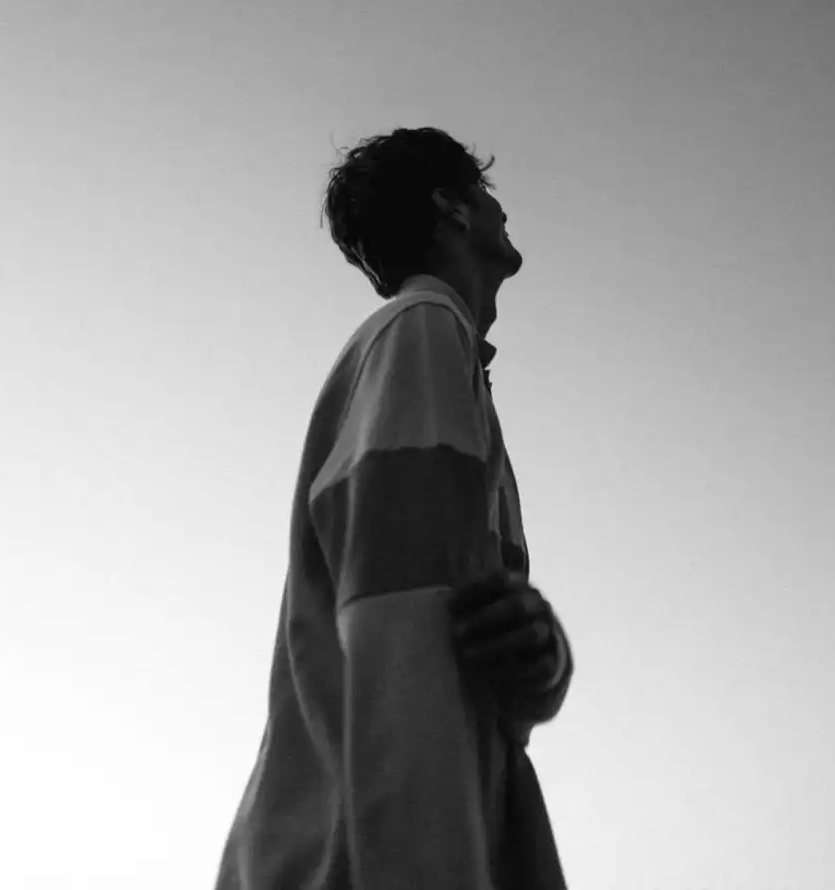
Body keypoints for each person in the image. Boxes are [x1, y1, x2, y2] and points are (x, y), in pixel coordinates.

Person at [213, 127, 573, 890]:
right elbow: (401, 639)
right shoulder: (422, 334)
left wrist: (539, 665)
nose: (502, 209)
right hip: (360, 858)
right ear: (453, 208)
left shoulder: (437, 357)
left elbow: (448, 638)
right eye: (485, 192)